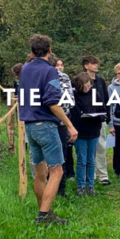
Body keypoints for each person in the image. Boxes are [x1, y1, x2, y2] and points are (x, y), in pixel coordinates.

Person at [19, 34, 77, 224]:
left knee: (40, 173)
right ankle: (44, 215)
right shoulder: (50, 71)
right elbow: (52, 102)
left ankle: (45, 211)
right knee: (57, 171)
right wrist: (69, 125)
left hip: (29, 126)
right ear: (49, 50)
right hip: (46, 124)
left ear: (32, 51)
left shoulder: (25, 69)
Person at [70, 72, 103, 197]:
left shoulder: (96, 95)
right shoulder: (73, 96)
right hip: (80, 131)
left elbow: (102, 110)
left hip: (93, 130)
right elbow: (71, 114)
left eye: (89, 86)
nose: (87, 89)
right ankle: (81, 186)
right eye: (84, 86)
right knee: (81, 160)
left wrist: (100, 117)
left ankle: (90, 185)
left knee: (91, 160)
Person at [82, 56, 111, 185]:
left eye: (96, 63)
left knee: (101, 146)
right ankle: (90, 174)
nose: (96, 66)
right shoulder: (80, 80)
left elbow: (106, 99)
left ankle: (102, 175)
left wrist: (107, 117)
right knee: (87, 149)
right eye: (93, 63)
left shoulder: (100, 81)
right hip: (85, 120)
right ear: (86, 66)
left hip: (100, 119)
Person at [49, 54, 74, 197]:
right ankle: (49, 188)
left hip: (59, 121)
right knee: (49, 157)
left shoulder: (63, 77)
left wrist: (64, 120)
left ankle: (60, 190)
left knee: (60, 156)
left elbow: (68, 100)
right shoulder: (39, 77)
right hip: (45, 121)